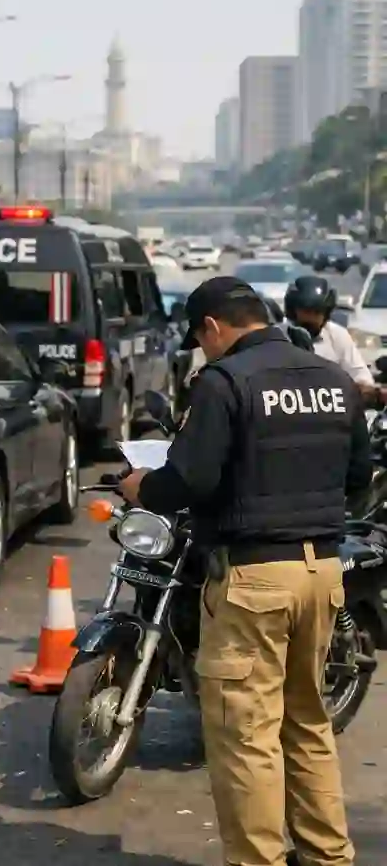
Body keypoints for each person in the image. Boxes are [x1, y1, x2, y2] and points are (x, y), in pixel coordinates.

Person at [117, 276, 367, 866]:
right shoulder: (334, 380)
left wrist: (139, 486)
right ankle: (328, 856)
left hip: (254, 579)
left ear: (212, 327)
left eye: (201, 340)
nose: (203, 351)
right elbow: (358, 478)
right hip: (322, 571)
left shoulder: (225, 381)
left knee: (246, 733)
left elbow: (189, 479)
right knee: (307, 722)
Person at [285, 274, 384, 403]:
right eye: (306, 312)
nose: (311, 318)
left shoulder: (337, 335)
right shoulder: (277, 335)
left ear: (326, 313)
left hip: (331, 406)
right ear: (293, 311)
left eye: (317, 312)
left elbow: (360, 375)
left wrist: (361, 390)